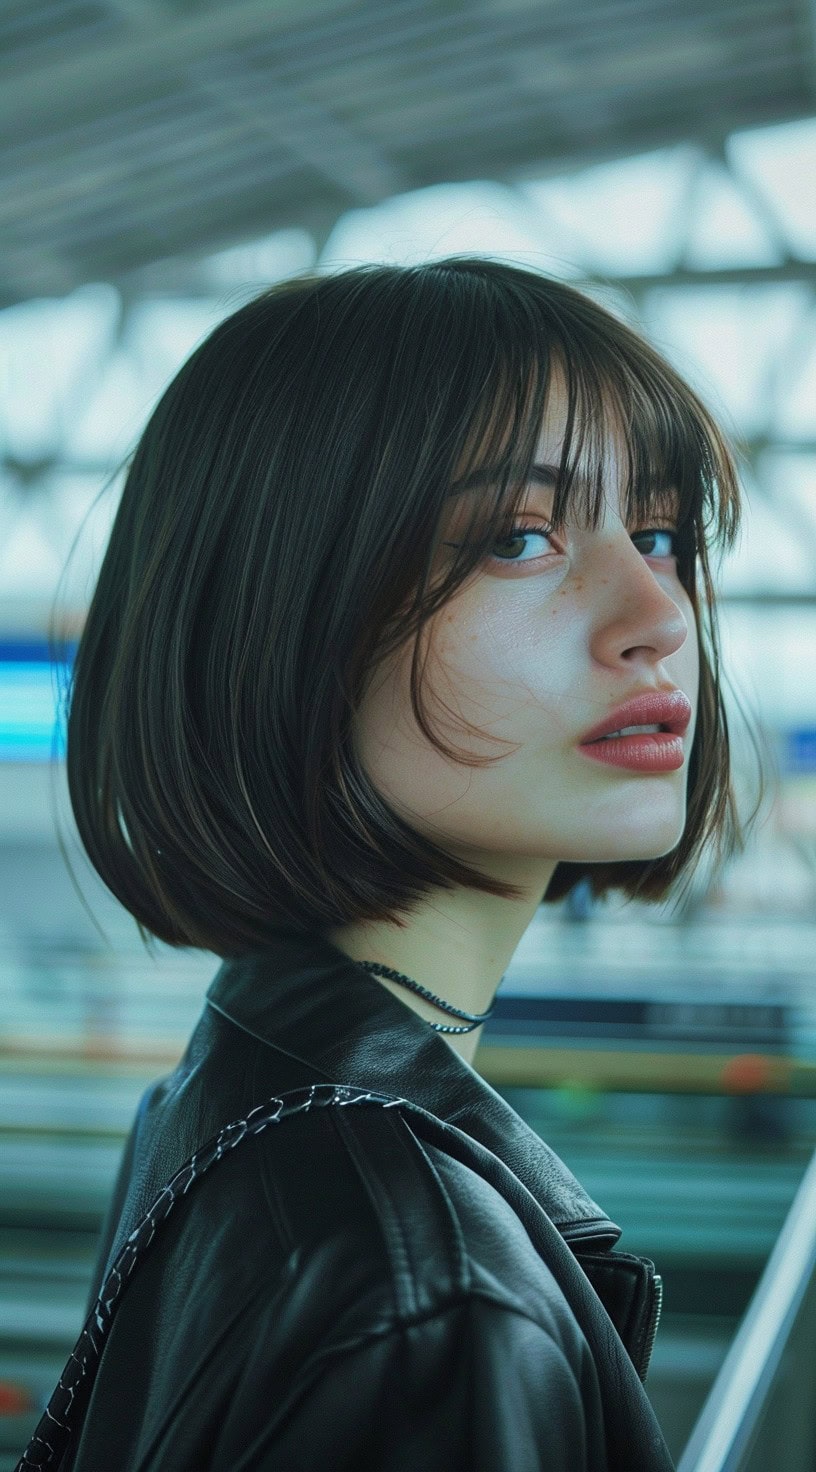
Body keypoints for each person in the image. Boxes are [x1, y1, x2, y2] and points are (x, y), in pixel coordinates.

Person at [39, 257, 759, 1471]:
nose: (659, 613)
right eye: (519, 537)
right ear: (282, 617)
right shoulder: (436, 1303)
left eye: (661, 535)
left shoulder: (224, 1094)